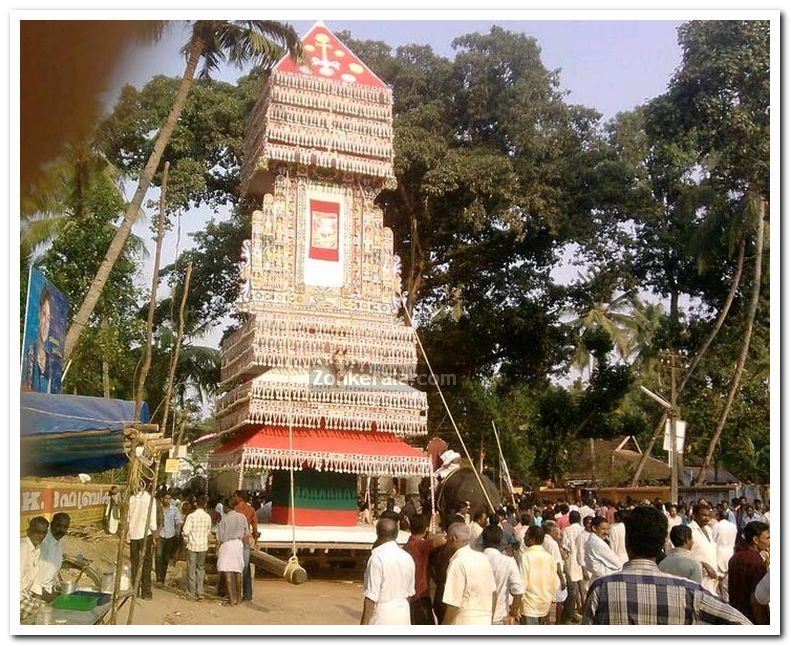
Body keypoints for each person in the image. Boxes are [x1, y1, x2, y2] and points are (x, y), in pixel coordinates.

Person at [583, 505, 751, 625]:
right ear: (663, 542)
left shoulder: (601, 589)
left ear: (627, 542)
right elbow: (742, 624)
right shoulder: (691, 592)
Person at [360, 518, 415, 624]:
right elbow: (409, 593)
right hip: (403, 613)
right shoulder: (407, 557)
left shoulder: (377, 558)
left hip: (383, 615)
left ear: (377, 533)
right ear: (396, 534)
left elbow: (371, 597)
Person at [441, 522, 496, 625]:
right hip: (485, 621)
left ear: (453, 539)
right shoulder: (482, 558)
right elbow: (493, 594)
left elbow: (453, 604)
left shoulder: (457, 563)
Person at [403, 513, 445, 625]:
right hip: (420, 595)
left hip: (409, 595)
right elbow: (441, 541)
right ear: (426, 529)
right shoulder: (421, 545)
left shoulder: (407, 546)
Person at [481, 520, 524, 625]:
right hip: (501, 617)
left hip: (478, 617)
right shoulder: (508, 561)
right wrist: (513, 614)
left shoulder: (474, 560)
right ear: (501, 542)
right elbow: (518, 591)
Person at [727, 521, 769, 624]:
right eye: (767, 538)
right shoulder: (757, 562)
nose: (770, 542)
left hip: (735, 614)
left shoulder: (734, 558)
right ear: (755, 540)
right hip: (752, 618)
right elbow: (758, 599)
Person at [519, 525, 559, 625]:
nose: (524, 538)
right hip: (544, 605)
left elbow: (522, 584)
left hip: (529, 606)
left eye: (526, 535)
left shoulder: (526, 556)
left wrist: (517, 606)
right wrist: (550, 598)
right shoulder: (549, 557)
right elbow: (554, 582)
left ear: (532, 539)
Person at [216, 498, 249, 606]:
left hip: (227, 545)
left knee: (228, 571)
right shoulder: (242, 517)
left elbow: (220, 537)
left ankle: (231, 599)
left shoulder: (224, 520)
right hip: (238, 544)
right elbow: (247, 532)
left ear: (227, 507)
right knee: (238, 571)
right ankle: (238, 598)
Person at [128, 484, 158, 600]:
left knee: (134, 564)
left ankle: (135, 590)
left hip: (134, 534)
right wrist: (154, 534)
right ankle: (146, 592)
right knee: (146, 565)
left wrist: (128, 533)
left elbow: (128, 518)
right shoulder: (150, 499)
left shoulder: (131, 499)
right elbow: (152, 523)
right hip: (145, 534)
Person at [182, 494, 212, 601]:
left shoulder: (191, 516)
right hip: (203, 546)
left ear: (196, 504)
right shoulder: (207, 517)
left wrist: (187, 540)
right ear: (205, 504)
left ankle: (191, 591)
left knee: (191, 569)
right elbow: (209, 531)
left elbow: (185, 531)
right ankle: (200, 592)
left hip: (192, 546)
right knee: (200, 569)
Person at [24, 286, 54, 393]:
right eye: (44, 315)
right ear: (38, 315)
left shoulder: (49, 359)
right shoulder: (28, 351)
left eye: (49, 318)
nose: (46, 323)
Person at [35, 512, 70, 598]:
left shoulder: (59, 542)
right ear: (51, 524)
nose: (61, 530)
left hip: (50, 590)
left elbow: (53, 571)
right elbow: (34, 576)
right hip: (38, 592)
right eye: (59, 525)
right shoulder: (43, 543)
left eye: (65, 527)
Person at [688, 502, 720, 595]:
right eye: (704, 515)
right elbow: (684, 554)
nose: (707, 518)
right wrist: (704, 565)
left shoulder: (709, 530)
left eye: (708, 515)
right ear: (694, 515)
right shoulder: (689, 530)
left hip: (712, 579)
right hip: (698, 576)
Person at [20, 516, 48, 620]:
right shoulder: (23, 547)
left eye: (43, 533)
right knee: (43, 616)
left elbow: (35, 577)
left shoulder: (36, 548)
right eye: (37, 532)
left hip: (25, 595)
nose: (40, 536)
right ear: (28, 531)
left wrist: (37, 598)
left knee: (48, 609)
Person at [234, 490, 259, 602]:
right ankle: (247, 594)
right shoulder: (251, 509)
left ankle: (233, 593)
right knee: (245, 567)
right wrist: (256, 539)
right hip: (245, 541)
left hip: (235, 540)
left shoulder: (235, 509)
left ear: (240, 497)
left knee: (233, 566)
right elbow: (254, 526)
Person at [541, 520, 567, 624]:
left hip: (544, 574)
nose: (558, 534)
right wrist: (562, 579)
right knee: (559, 601)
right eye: (556, 532)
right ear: (551, 531)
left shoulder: (542, 540)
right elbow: (557, 563)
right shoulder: (552, 543)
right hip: (554, 575)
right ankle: (558, 623)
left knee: (547, 601)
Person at [155, 492, 182, 585]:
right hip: (160, 535)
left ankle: (162, 577)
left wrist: (177, 532)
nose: (168, 500)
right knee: (158, 556)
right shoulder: (158, 509)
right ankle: (158, 578)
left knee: (166, 557)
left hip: (170, 536)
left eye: (169, 498)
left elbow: (178, 521)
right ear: (162, 499)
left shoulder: (174, 510)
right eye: (166, 498)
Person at [711, 506, 738, 600]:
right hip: (731, 552)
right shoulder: (733, 526)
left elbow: (712, 540)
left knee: (718, 580)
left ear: (718, 516)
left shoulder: (716, 526)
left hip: (719, 552)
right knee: (727, 581)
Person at [562, 510, 585, 619]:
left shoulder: (567, 530)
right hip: (582, 557)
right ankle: (584, 602)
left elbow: (564, 546)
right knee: (582, 582)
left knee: (574, 583)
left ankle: (579, 604)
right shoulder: (583, 530)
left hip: (571, 558)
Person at [584, 516, 622, 581]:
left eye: (608, 529)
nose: (606, 532)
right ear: (594, 528)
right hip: (604, 580)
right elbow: (618, 564)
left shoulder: (593, 540)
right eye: (603, 529)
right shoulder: (597, 543)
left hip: (598, 578)